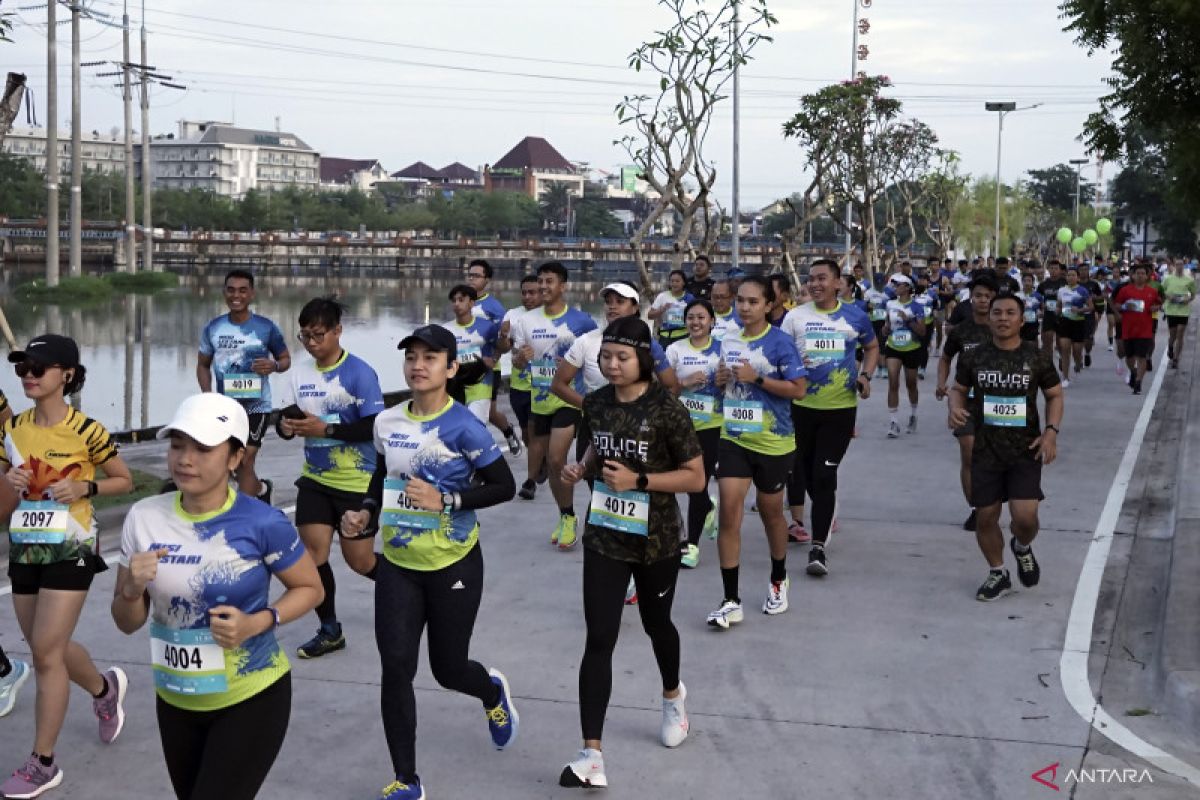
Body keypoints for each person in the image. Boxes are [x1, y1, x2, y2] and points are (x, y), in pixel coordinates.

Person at [111, 393, 323, 800]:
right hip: (175, 698)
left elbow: (311, 588)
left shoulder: (262, 522)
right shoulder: (144, 517)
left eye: (203, 448)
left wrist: (258, 621)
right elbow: (126, 622)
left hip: (250, 697)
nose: (185, 459)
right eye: (177, 445)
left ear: (234, 457)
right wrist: (131, 588)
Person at [338, 324, 519, 800]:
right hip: (398, 564)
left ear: (451, 368)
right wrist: (367, 511)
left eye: (430, 358)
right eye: (412, 357)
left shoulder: (466, 427)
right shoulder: (388, 423)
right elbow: (383, 477)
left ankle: (491, 692)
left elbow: (504, 486)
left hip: (453, 562)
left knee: (448, 668)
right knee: (396, 667)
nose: (418, 365)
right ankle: (407, 779)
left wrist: (450, 500)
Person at [558, 317, 705, 789]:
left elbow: (696, 477)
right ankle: (591, 755)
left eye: (622, 357)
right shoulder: (596, 402)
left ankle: (672, 696)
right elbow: (598, 450)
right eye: (606, 357)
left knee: (656, 623)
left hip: (657, 538)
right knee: (599, 637)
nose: (612, 365)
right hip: (605, 533)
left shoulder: (667, 408)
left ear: (643, 358)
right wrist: (580, 469)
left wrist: (640, 481)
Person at [0, 334, 135, 799]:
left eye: (38, 367)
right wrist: (8, 480)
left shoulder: (87, 430)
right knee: (46, 647)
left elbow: (124, 479)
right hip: (26, 546)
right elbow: (3, 499)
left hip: (71, 546)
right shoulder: (12, 429)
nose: (29, 376)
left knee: (44, 654)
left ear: (68, 375)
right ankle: (103, 690)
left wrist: (85, 490)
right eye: (22, 368)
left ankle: (43, 762)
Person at [274, 297, 384, 660]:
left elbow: (373, 426)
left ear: (338, 331)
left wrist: (327, 428)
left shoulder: (360, 373)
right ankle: (330, 629)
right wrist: (287, 427)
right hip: (316, 479)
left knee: (361, 562)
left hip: (357, 481)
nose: (311, 343)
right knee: (313, 556)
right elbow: (286, 422)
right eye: (304, 336)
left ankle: (414, 590)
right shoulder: (300, 373)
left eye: (318, 334)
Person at [706, 277, 807, 630]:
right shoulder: (728, 338)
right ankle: (730, 600)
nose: (744, 307)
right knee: (730, 514)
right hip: (733, 437)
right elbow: (724, 388)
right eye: (740, 301)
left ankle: (779, 578)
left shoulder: (781, 344)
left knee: (770, 513)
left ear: (768, 305)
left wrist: (757, 379)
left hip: (774, 442)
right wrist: (720, 381)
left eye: (752, 302)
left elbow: (799, 389)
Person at [948, 294, 1063, 601]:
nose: (1002, 317)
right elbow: (957, 389)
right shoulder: (974, 356)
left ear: (1021, 320)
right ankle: (998, 572)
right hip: (985, 451)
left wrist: (1051, 432)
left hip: (1026, 450)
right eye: (997, 312)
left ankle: (1022, 547)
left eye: (1010, 313)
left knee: (1024, 519)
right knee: (985, 517)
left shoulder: (1035, 356)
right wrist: (954, 408)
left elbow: (1054, 395)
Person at [781, 259, 879, 577]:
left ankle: (819, 547)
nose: (816, 284)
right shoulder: (795, 317)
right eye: (811, 279)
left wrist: (866, 376)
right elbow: (780, 354)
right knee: (804, 474)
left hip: (839, 410)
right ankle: (826, 509)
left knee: (824, 476)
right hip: (800, 408)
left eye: (823, 278)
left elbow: (873, 346)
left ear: (838, 283)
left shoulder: (855, 316)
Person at [510, 262, 598, 549]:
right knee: (549, 460)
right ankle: (566, 515)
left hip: (570, 398)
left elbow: (595, 357)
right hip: (540, 398)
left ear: (563, 286)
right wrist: (520, 360)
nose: (544, 287)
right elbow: (517, 360)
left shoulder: (582, 321)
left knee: (557, 458)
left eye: (550, 281)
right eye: (541, 281)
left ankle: (571, 517)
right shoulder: (526, 321)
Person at [553, 282, 678, 460]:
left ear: (635, 307)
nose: (612, 306)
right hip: (595, 428)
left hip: (638, 433)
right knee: (597, 484)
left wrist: (650, 416)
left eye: (620, 301)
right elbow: (558, 385)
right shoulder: (586, 341)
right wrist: (593, 408)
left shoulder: (648, 344)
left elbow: (672, 386)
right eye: (608, 301)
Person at [197, 269, 291, 503]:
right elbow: (202, 366)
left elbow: (286, 360)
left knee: (245, 460)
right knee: (232, 462)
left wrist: (274, 366)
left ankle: (244, 512)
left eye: (242, 290)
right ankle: (260, 491)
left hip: (257, 406)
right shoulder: (213, 328)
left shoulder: (266, 327)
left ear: (251, 294)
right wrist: (209, 398)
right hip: (226, 408)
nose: (236, 295)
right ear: (224, 293)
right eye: (231, 290)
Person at [936, 276, 998, 532]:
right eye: (979, 295)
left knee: (996, 458)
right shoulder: (962, 330)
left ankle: (993, 503)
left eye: (988, 296)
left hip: (998, 400)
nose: (983, 300)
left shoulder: (1004, 327)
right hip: (966, 400)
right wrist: (942, 383)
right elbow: (945, 358)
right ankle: (976, 508)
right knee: (969, 453)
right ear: (971, 298)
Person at [666, 299, 724, 569]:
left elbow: (735, 390)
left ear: (712, 321)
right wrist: (684, 383)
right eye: (690, 317)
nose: (696, 322)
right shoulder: (675, 349)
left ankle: (691, 545)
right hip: (679, 426)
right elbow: (665, 391)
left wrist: (725, 382)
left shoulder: (723, 350)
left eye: (701, 317)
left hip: (712, 425)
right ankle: (708, 507)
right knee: (683, 483)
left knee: (696, 483)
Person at [465, 259, 524, 455]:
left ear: (487, 280)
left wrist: (494, 358)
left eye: (476, 276)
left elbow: (503, 340)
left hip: (488, 369)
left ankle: (506, 433)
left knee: (488, 413)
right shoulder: (463, 302)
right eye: (470, 275)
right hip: (463, 367)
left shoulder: (494, 308)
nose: (471, 279)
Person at [499, 275, 544, 498]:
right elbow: (503, 349)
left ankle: (530, 481)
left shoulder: (548, 317)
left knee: (536, 433)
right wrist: (503, 335)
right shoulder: (512, 315)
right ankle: (539, 464)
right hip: (519, 384)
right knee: (526, 433)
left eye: (533, 292)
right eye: (524, 292)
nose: (528, 297)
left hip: (543, 386)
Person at [444, 284, 500, 425]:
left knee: (475, 426)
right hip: (455, 386)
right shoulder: (446, 330)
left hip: (481, 386)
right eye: (454, 300)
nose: (457, 304)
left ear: (471, 303)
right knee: (457, 427)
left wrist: (493, 359)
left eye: (461, 300)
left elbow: (499, 348)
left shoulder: (487, 327)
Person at [882, 274, 927, 437]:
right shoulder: (890, 304)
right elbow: (886, 327)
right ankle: (893, 422)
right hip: (893, 347)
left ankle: (913, 415)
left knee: (911, 384)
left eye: (898, 285)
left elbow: (922, 332)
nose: (895, 288)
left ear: (907, 287)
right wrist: (885, 330)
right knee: (893, 381)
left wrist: (908, 320)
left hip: (912, 348)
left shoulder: (917, 307)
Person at [1114, 263, 1163, 395]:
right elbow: (1117, 305)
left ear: (1147, 276)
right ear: (1133, 276)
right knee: (1129, 357)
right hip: (1128, 329)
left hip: (1145, 330)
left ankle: (1139, 382)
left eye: (1143, 274)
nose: (1140, 276)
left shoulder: (1152, 292)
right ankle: (1133, 372)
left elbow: (1159, 303)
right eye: (1138, 274)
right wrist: (1125, 307)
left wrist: (1156, 307)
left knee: (1142, 357)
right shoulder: (1125, 290)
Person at [1055, 266, 1093, 386]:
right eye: (1068, 275)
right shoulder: (1061, 290)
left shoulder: (1082, 291)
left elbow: (1091, 307)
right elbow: (1059, 305)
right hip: (1065, 322)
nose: (1070, 277)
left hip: (1079, 322)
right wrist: (1057, 310)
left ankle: (1078, 362)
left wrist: (1080, 310)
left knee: (1077, 350)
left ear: (1077, 277)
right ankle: (1065, 378)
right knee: (1065, 350)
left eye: (1073, 275)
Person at [1162, 258, 1196, 369]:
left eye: (1181, 264)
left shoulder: (1189, 280)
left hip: (1183, 311)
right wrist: (1168, 296)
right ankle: (1170, 346)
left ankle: (1176, 358)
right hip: (1171, 310)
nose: (1179, 266)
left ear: (1184, 266)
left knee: (1180, 333)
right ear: (1174, 266)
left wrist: (1188, 299)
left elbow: (1193, 294)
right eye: (1177, 264)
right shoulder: (1168, 279)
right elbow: (1162, 291)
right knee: (1173, 334)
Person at [648, 270, 694, 347]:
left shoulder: (689, 298)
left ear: (683, 283)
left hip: (683, 336)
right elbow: (650, 315)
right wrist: (662, 309)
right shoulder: (662, 296)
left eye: (677, 281)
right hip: (665, 336)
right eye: (672, 281)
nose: (674, 284)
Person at [1037, 260, 1067, 356]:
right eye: (1051, 268)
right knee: (1047, 341)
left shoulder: (1065, 283)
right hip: (1048, 315)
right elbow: (1037, 299)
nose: (1053, 270)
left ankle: (1061, 357)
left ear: (1060, 270)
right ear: (1048, 270)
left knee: (1060, 342)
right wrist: (1042, 307)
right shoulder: (1043, 284)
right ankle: (1049, 363)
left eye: (1056, 268)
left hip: (1062, 316)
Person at [1018, 272, 1043, 344]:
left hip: (1033, 323)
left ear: (1033, 282)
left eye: (1029, 281)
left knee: (1032, 343)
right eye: (1025, 281)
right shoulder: (1017, 295)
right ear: (1022, 282)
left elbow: (1043, 309)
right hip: (1020, 323)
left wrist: (1040, 313)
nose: (1027, 283)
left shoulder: (1038, 296)